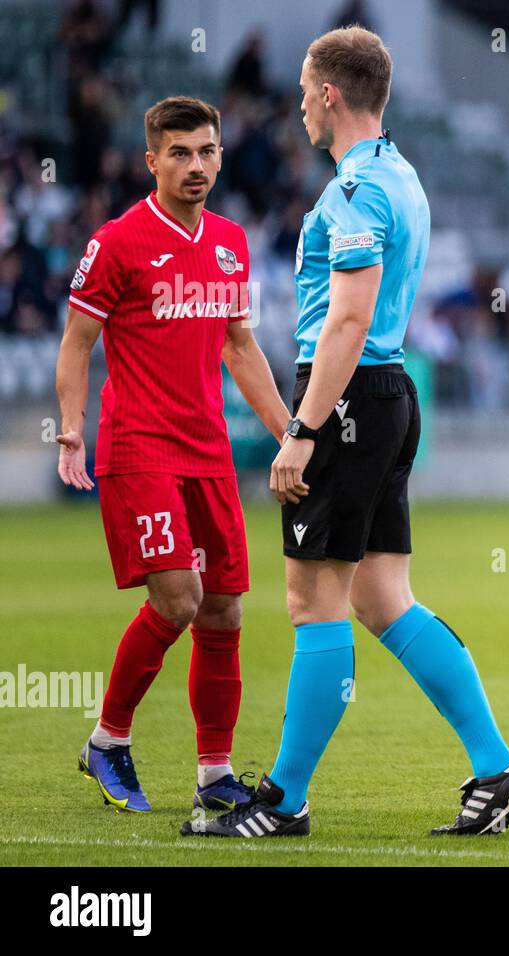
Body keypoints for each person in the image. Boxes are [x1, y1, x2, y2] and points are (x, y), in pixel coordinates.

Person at [183, 26, 509, 839]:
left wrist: (303, 428)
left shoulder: (355, 191)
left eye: (308, 91)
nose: (301, 105)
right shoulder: (398, 176)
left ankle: (283, 799)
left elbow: (347, 319)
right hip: (385, 393)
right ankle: (499, 770)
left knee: (314, 600)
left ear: (332, 95)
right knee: (383, 597)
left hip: (346, 396)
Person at [55, 96, 290, 814]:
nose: (197, 166)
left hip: (208, 450)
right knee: (179, 598)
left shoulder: (230, 242)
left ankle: (214, 773)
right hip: (140, 447)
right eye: (181, 153)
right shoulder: (118, 242)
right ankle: (108, 740)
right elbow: (76, 342)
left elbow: (240, 347)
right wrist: (71, 425)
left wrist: (291, 432)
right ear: (151, 158)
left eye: (208, 151)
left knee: (223, 610)